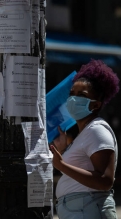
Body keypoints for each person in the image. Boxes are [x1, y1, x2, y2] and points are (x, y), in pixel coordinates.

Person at [50, 59, 119, 219]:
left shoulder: (97, 130)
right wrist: (63, 151)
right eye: (72, 94)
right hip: (80, 210)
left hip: (88, 209)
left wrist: (61, 164)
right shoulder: (85, 132)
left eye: (81, 95)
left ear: (95, 105)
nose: (73, 99)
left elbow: (105, 181)